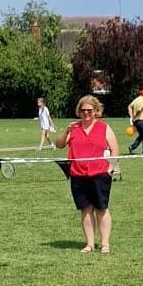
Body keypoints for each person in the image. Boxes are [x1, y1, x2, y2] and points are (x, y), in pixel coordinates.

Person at [55, 96, 120, 252]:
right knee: (85, 209)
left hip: (100, 174)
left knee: (101, 208)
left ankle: (105, 243)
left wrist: (110, 167)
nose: (86, 113)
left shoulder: (104, 127)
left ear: (96, 111)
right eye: (83, 110)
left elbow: (115, 149)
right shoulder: (74, 128)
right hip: (78, 175)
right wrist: (66, 131)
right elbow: (59, 144)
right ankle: (89, 243)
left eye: (89, 110)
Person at [127, 88, 143, 155]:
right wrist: (135, 116)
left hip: (136, 122)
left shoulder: (136, 100)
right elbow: (139, 110)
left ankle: (132, 147)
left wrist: (131, 116)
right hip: (142, 121)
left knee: (141, 135)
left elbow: (129, 106)